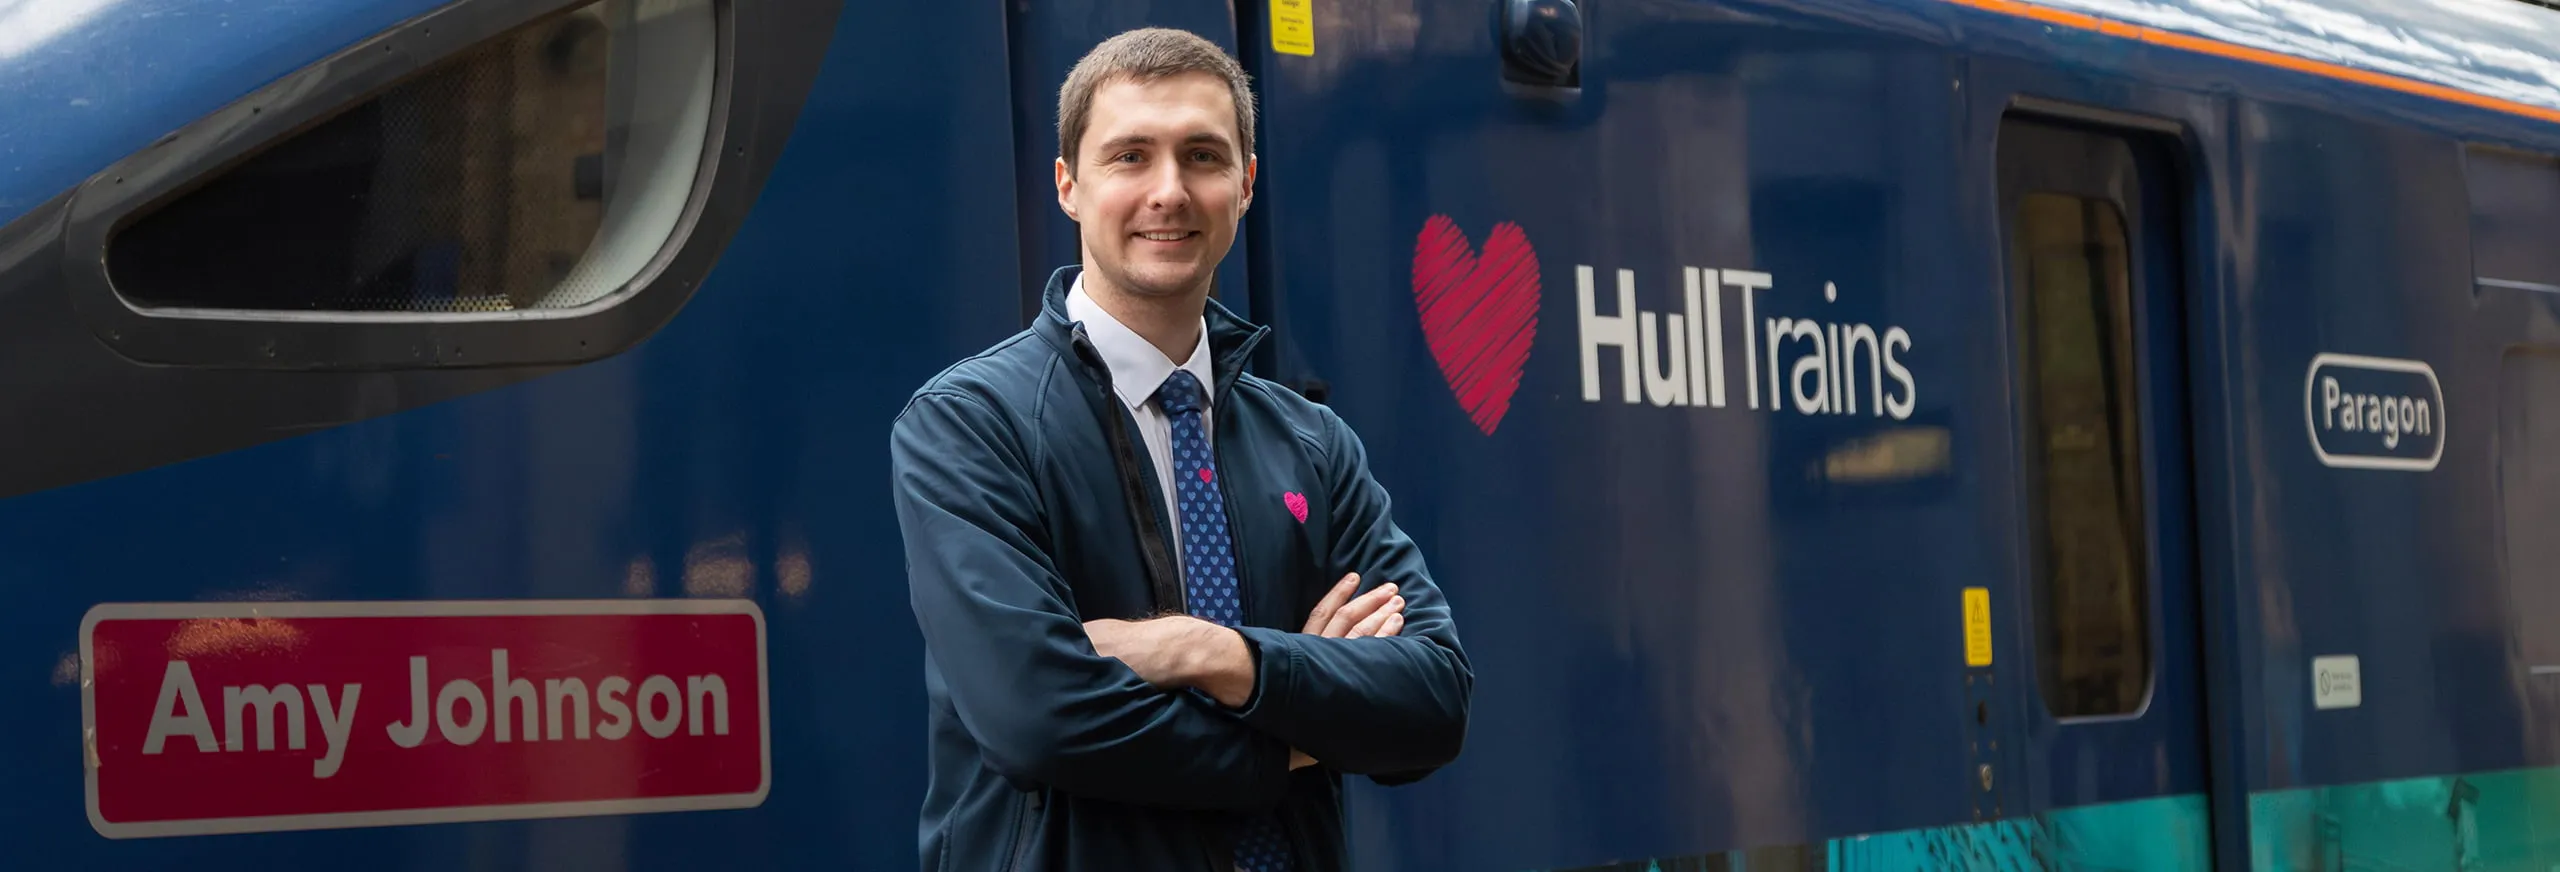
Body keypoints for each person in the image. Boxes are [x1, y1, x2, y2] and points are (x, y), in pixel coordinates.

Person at [888, 26, 1473, 872]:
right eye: (1130, 156)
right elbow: (1039, 719)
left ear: (1245, 185)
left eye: (1202, 156)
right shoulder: (971, 424)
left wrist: (1205, 652)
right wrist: (1306, 723)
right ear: (1068, 186)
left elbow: (1432, 704)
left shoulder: (1310, 442)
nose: (1169, 191)